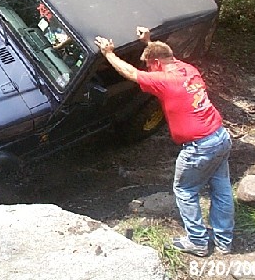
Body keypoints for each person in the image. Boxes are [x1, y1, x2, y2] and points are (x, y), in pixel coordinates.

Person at [94, 27, 234, 257]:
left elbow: (130, 73)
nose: (149, 70)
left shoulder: (164, 80)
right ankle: (223, 241)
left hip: (200, 146)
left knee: (185, 190)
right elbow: (166, 55)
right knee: (221, 190)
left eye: (149, 66)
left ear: (156, 64)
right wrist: (148, 41)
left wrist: (109, 54)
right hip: (220, 137)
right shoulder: (188, 69)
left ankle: (198, 241)